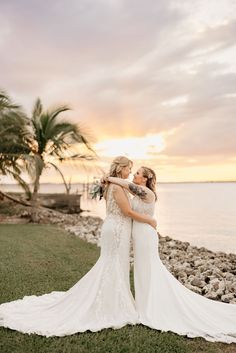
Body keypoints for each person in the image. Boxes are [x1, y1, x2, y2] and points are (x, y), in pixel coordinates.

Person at [0, 156, 156, 337]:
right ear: (121, 168)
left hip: (114, 227)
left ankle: (113, 300)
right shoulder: (117, 187)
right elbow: (127, 212)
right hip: (117, 230)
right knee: (113, 264)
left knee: (113, 264)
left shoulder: (111, 185)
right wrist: (150, 220)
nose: (130, 172)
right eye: (129, 168)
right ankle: (113, 305)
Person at [107, 166, 236, 344]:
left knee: (149, 269)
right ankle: (144, 305)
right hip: (139, 235)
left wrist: (109, 178)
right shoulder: (137, 193)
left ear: (145, 178)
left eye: (137, 173)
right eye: (134, 172)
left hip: (145, 235)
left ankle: (151, 307)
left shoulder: (147, 193)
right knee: (142, 270)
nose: (134, 175)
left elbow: (127, 186)